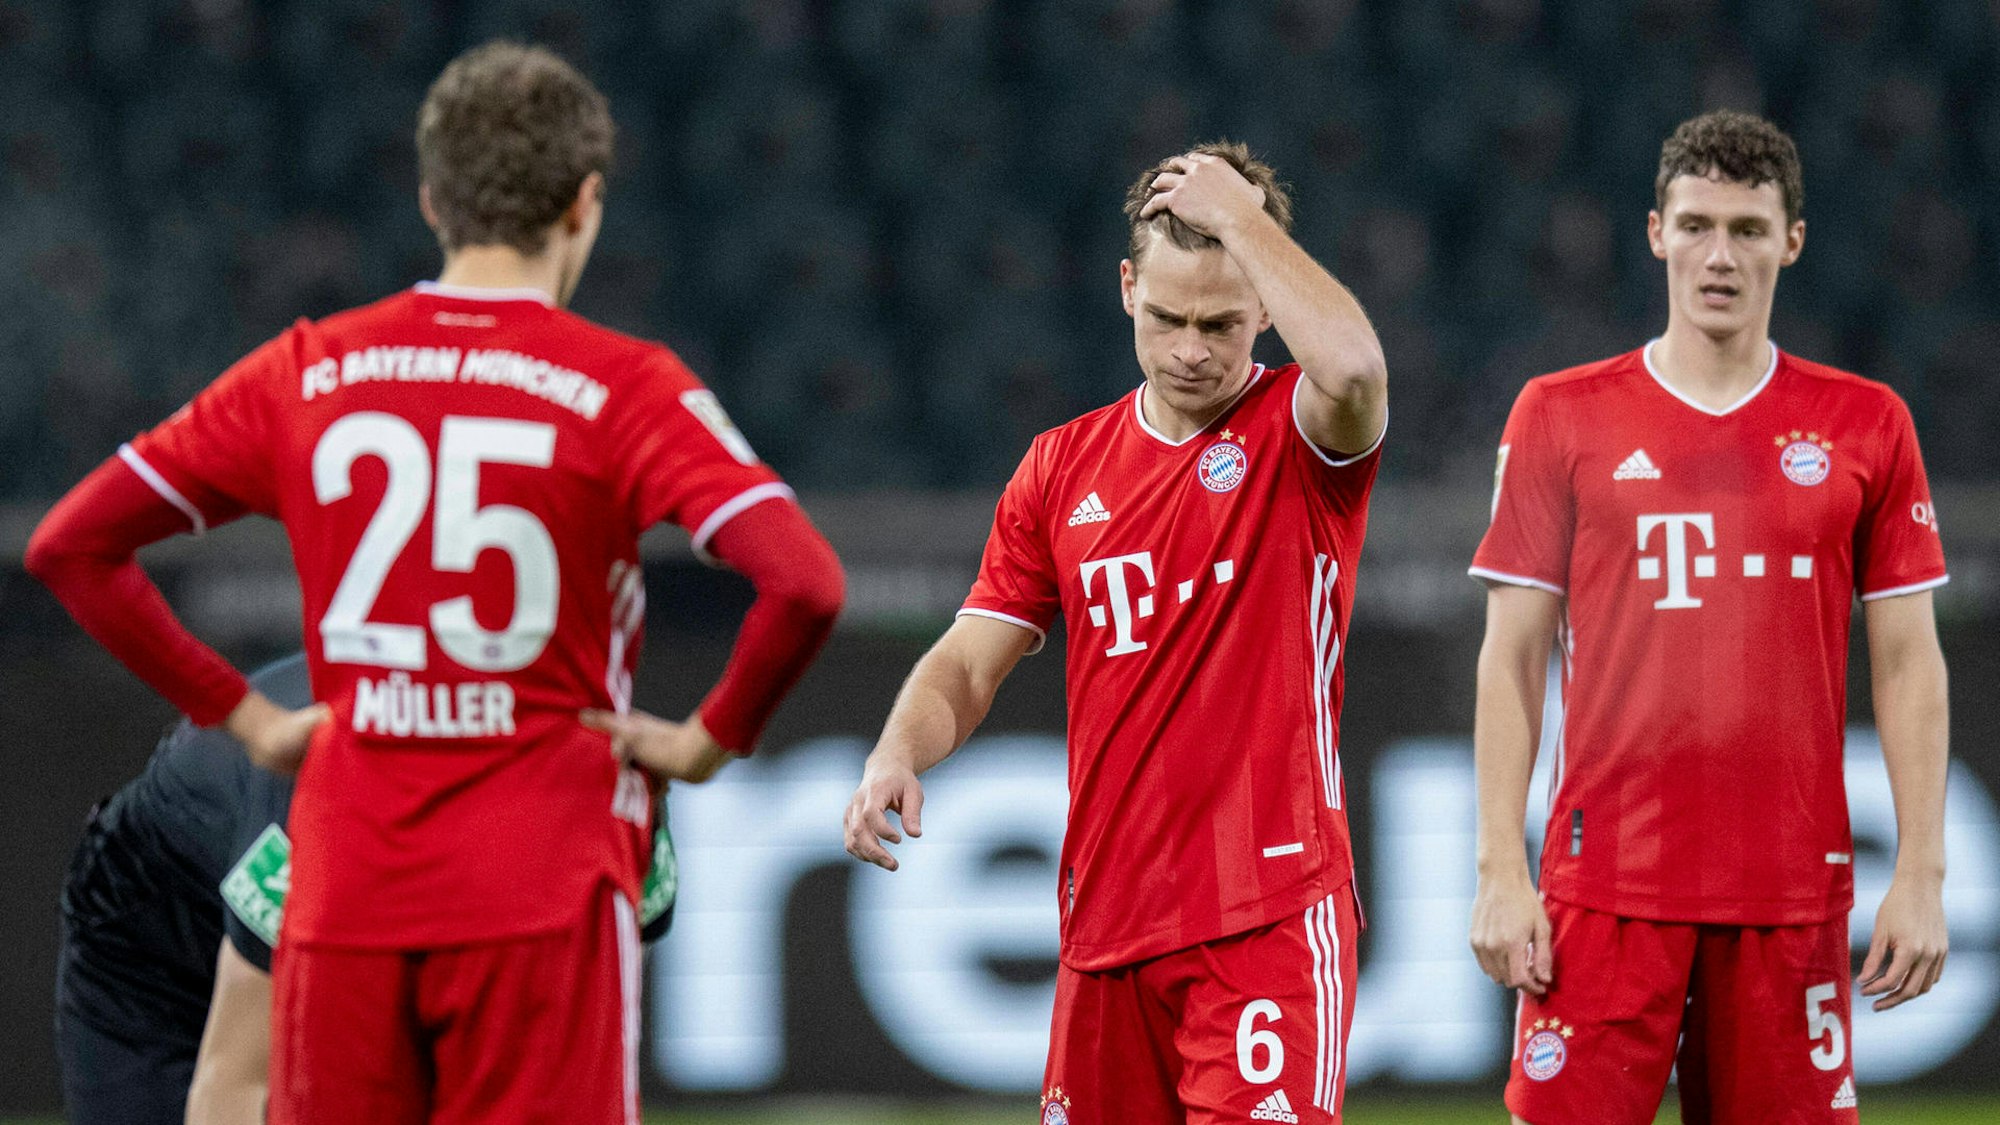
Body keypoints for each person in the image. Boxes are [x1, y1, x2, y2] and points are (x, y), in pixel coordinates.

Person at [27, 41, 844, 1124]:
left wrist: (247, 719)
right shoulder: (624, 386)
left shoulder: (310, 367)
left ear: (430, 198)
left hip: (347, 873)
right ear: (584, 204)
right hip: (540, 880)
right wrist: (707, 738)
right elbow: (804, 584)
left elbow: (70, 550)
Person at [844, 141, 1388, 1123]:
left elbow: (1351, 364)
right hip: (1104, 932)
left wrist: (1246, 224)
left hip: (1262, 916)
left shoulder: (1300, 438)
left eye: (1220, 324)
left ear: (1263, 306)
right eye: (1167, 317)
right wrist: (897, 747)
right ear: (1125, 287)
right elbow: (968, 662)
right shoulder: (1060, 468)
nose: (1190, 349)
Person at [1467, 109, 1950, 1124]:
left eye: (1744, 228)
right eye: (1693, 225)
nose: (1716, 255)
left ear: (1791, 241)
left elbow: (1906, 661)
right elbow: (1509, 655)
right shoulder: (1559, 413)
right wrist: (1497, 871)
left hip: (1786, 894)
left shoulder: (1865, 423)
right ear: (1653, 233)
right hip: (1602, 889)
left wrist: (1919, 870)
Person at [53, 654, 680, 1125]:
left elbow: (584, 1063)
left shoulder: (621, 802)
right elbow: (233, 1083)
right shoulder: (327, 797)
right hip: (152, 972)